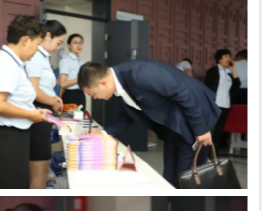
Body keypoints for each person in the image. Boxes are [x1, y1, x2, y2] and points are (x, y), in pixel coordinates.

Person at [77, 60, 220, 188]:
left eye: (93, 94)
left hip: (195, 119)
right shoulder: (119, 86)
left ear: (103, 83)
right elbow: (125, 117)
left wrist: (201, 129)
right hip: (173, 126)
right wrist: (103, 134)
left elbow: (184, 93)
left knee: (186, 178)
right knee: (169, 178)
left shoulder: (141, 73)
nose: (95, 98)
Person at [0, 14, 53, 189]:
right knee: (5, 186)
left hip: (13, 136)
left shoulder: (14, 62)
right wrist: (30, 114)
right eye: (37, 44)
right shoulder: (6, 63)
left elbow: (16, 100)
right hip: (5, 138)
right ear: (25, 40)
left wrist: (34, 112)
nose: (36, 51)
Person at [25, 20, 66, 189]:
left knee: (39, 169)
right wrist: (52, 102)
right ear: (48, 36)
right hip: (38, 112)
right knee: (39, 171)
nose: (58, 47)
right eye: (58, 42)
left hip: (44, 110)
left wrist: (54, 96)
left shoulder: (43, 57)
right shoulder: (36, 57)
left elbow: (44, 86)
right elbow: (33, 90)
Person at [205, 49, 241, 151]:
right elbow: (207, 87)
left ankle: (215, 153)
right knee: (211, 129)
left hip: (225, 105)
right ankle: (206, 152)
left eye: (229, 56)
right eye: (226, 56)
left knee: (220, 130)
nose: (228, 59)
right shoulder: (213, 71)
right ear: (219, 59)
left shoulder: (229, 72)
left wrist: (233, 70)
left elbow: (237, 85)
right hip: (214, 104)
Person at [59, 34, 86, 108]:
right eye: (75, 43)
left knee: (82, 115)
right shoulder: (66, 61)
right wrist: (79, 79)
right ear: (69, 45)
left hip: (81, 94)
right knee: (70, 116)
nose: (78, 45)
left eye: (80, 42)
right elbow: (62, 83)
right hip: (70, 95)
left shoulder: (82, 62)